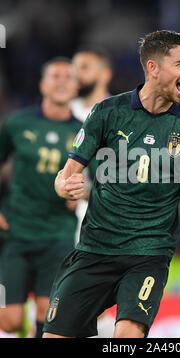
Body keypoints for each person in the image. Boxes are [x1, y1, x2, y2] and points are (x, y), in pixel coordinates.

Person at [42, 30, 180, 338]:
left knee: (127, 337)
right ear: (153, 68)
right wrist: (63, 186)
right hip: (94, 250)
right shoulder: (107, 113)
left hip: (148, 254)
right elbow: (67, 172)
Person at [0, 57, 83, 338]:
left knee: (47, 314)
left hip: (58, 234)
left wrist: (84, 191)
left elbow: (102, 178)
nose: (61, 81)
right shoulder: (16, 124)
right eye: (55, 76)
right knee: (9, 320)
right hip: (16, 231)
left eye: (68, 77)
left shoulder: (86, 131)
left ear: (76, 87)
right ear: (42, 85)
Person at [71, 47, 115, 338]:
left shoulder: (122, 113)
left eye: (85, 67)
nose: (76, 74)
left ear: (104, 73)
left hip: (101, 214)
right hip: (60, 215)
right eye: (75, 67)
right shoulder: (63, 109)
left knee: (92, 298)